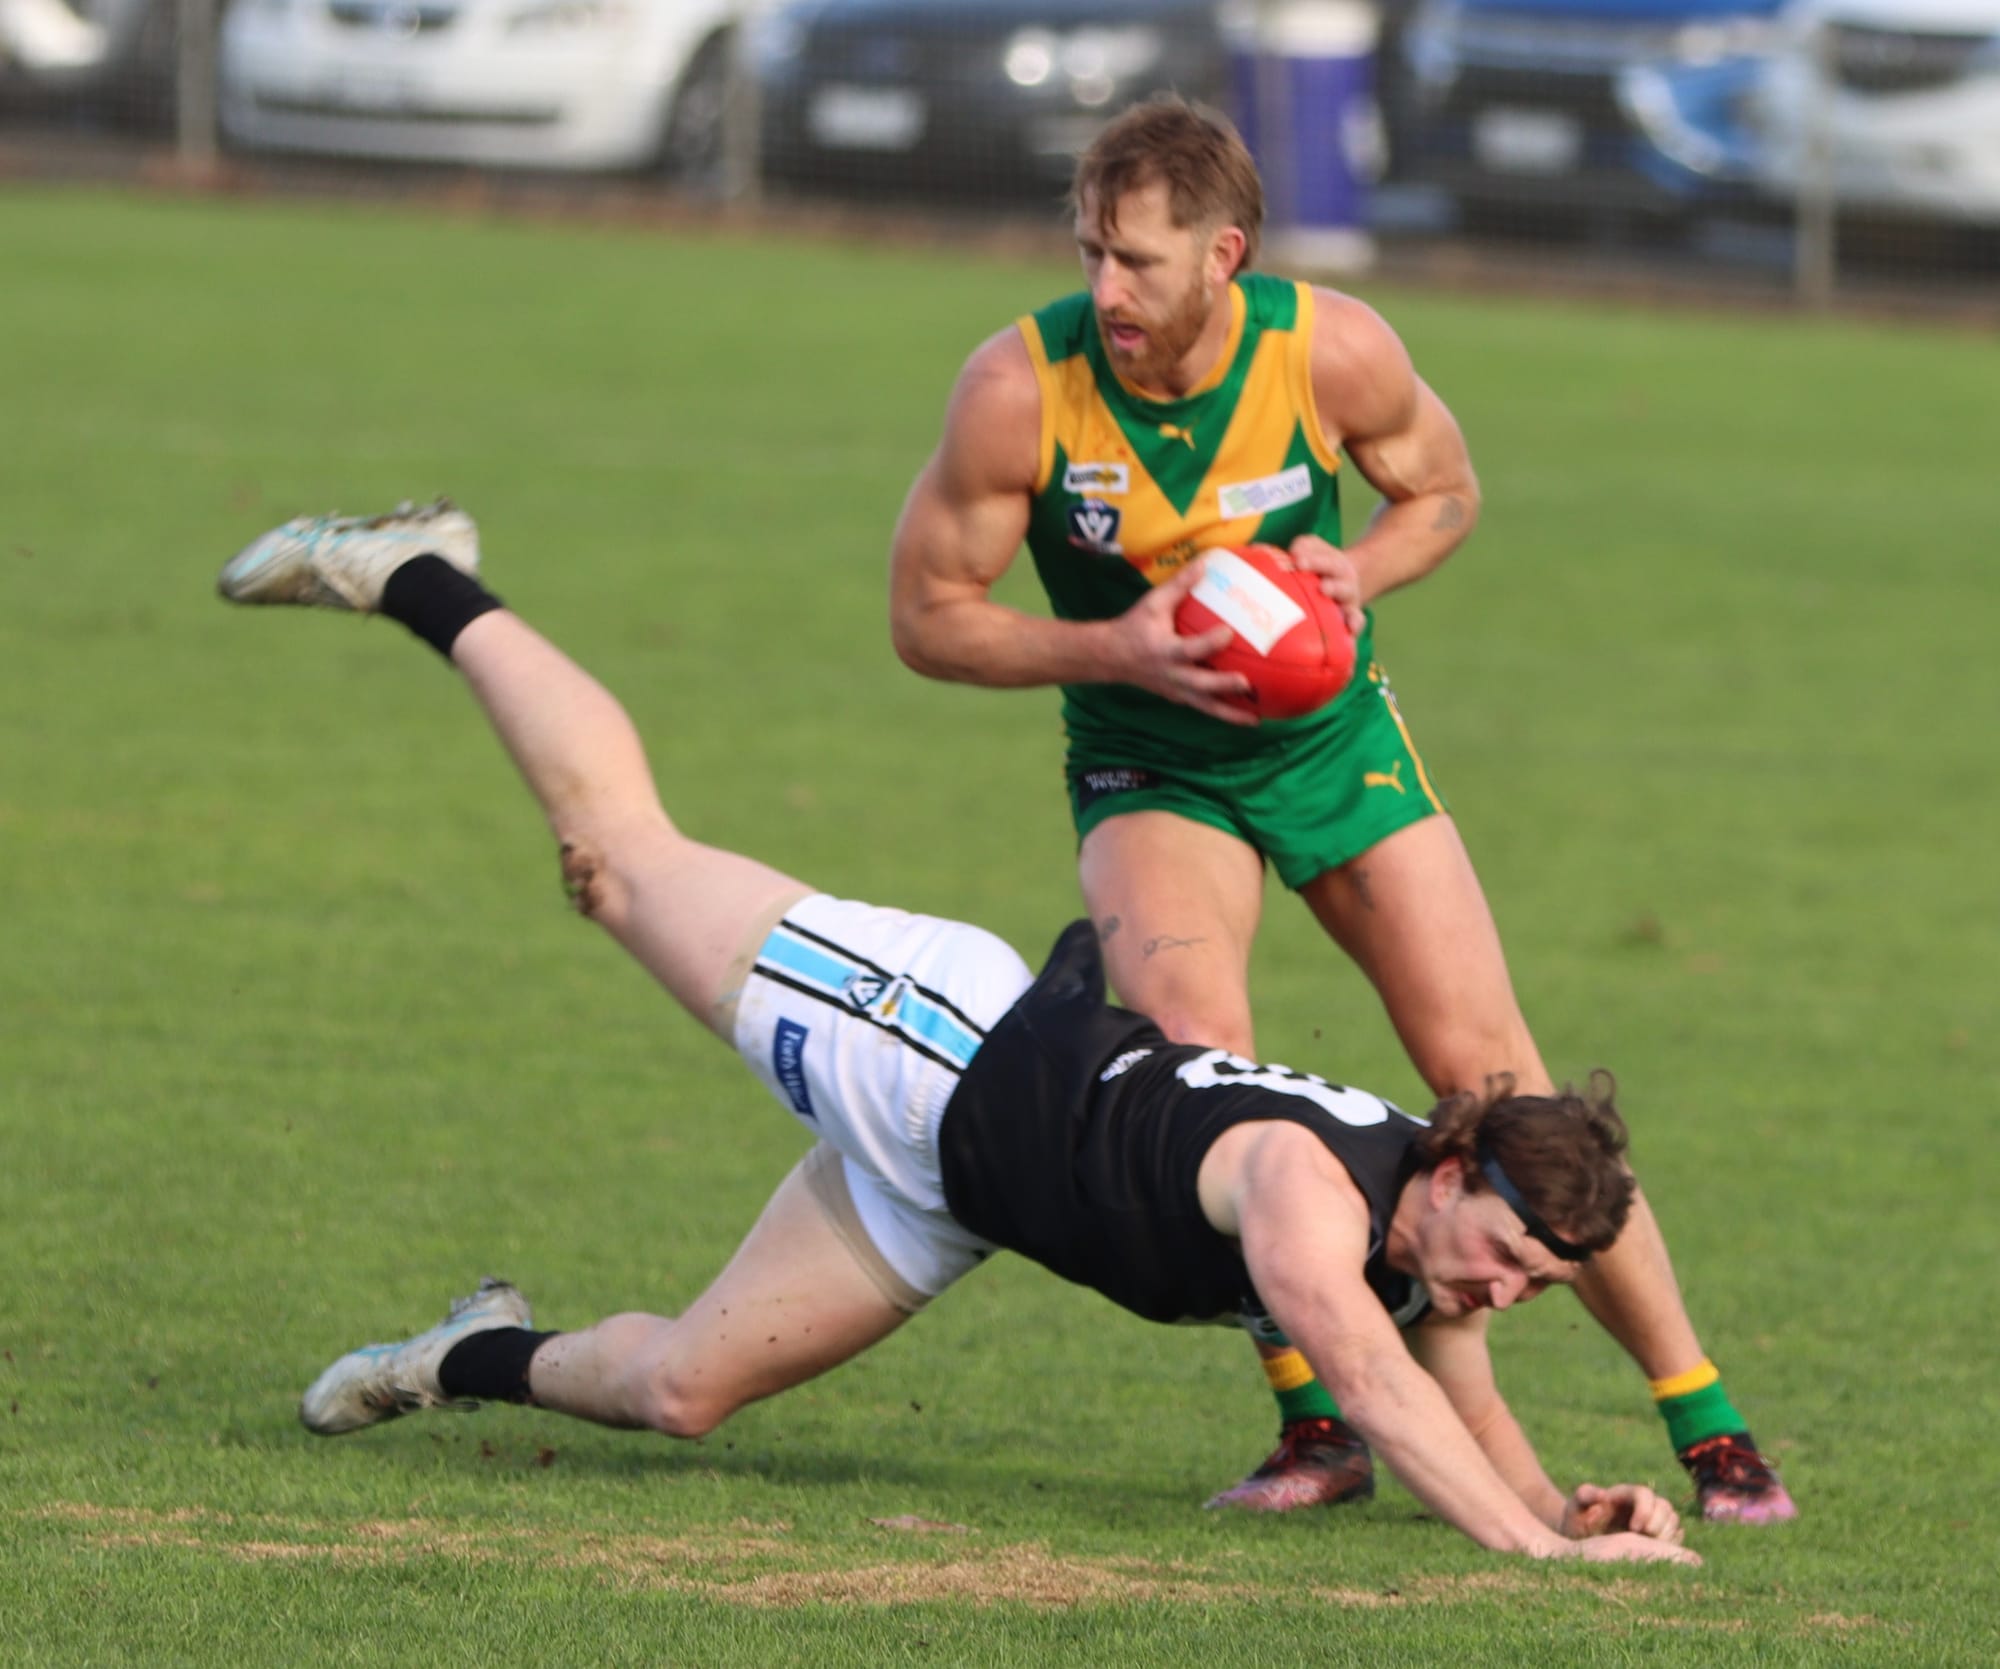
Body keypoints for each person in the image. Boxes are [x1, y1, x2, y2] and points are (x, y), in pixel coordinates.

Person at [215, 501, 1700, 1568]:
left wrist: (1566, 1506)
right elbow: (1371, 1392)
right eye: (1509, 1255)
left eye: (1534, 1279)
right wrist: (1540, 1565)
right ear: (1451, 1174)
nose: (1503, 1292)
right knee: (617, 860)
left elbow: (1465, 1402)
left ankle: (457, 1355)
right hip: (929, 1042)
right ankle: (416, 570)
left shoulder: (1429, 1251)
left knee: (681, 1392)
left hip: (957, 1189)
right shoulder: (1317, 1198)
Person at [886, 96, 1792, 1523]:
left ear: (1224, 254)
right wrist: (1113, 648)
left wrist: (1366, 571)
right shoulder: (1020, 386)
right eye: (1090, 253)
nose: (1103, 288)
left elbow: (1445, 493)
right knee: (1205, 1072)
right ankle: (1320, 1422)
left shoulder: (1332, 351)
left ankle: (1708, 1421)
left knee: (1504, 1076)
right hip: (1151, 759)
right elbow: (928, 619)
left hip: (1334, 748)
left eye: (1134, 260)